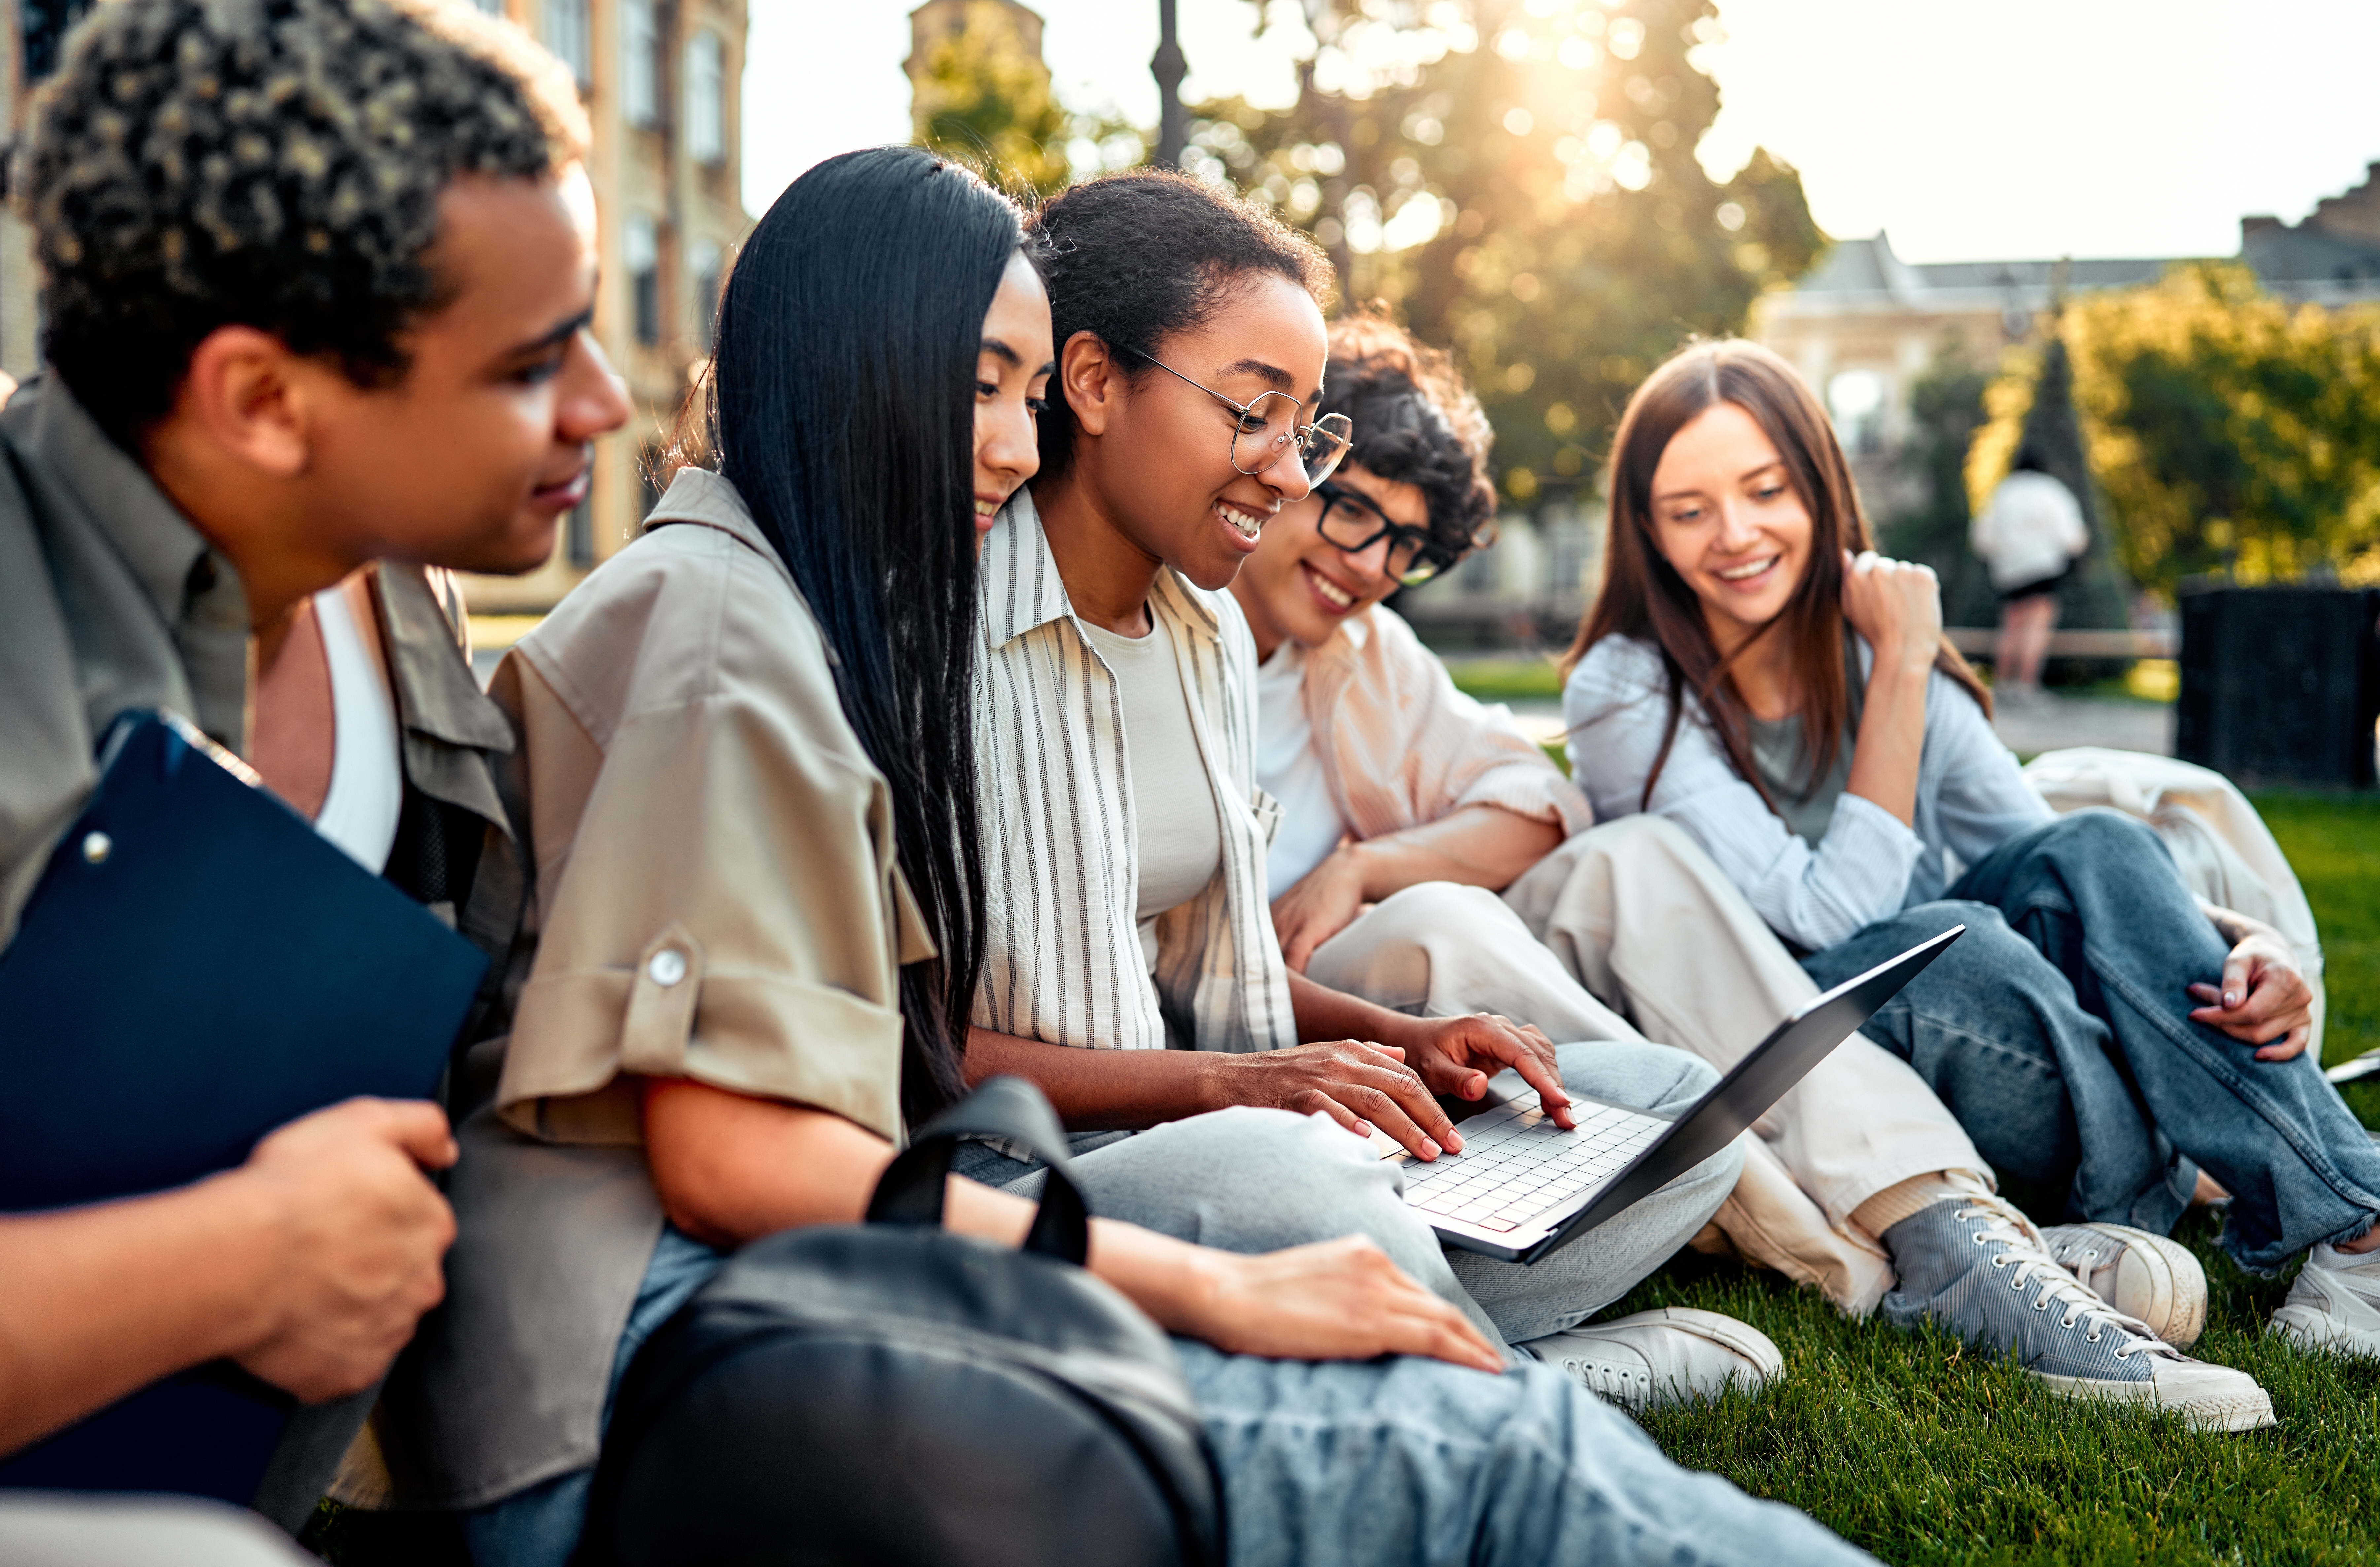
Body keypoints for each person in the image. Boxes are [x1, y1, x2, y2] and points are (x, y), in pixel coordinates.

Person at [395, 148, 1872, 1567]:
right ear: (840, 360)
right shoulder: (731, 637)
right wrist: (1216, 1277)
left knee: (1597, 1189)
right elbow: (737, 1156)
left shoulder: (785, 615)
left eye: (1025, 395)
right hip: (648, 1399)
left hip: (765, 1324)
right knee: (1482, 1456)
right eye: (980, 387)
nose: (1016, 443)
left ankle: (1474, 1360)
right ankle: (1510, 1380)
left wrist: (1359, 1060)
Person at [1214, 311, 2204, 1397]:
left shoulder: (1362, 652)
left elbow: (1539, 809)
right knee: (1441, 921)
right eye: (1351, 511)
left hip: (1413, 1021)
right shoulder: (1167, 639)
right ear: (1284, 454)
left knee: (1626, 858)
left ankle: (1945, 1219)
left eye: (1404, 547)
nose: (1365, 566)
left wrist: (1364, 863)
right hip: (1271, 1024)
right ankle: (1879, 1252)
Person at [962, 170, 1771, 1399]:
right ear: (1090, 383)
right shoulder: (948, 631)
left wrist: (1404, 1040)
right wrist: (1245, 1089)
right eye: (1253, 414)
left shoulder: (1206, 636)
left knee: (1670, 1109)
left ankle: (1390, 1345)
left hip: (1226, 1141)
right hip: (1036, 1181)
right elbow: (907, 1044)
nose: (1287, 477)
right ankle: (1504, 1385)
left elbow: (1206, 975)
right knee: (1294, 1176)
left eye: (1304, 430)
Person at [0, 0, 625, 1551]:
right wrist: (232, 1263)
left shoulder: (391, 586)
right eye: (534, 360)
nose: (605, 403)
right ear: (264, 400)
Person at [1565, 338, 2380, 1403]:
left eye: (1764, 489)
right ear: (1645, 531)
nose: (1734, 535)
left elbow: (2056, 860)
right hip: (1818, 1050)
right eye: (1687, 509)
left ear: (1816, 487)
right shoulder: (1626, 690)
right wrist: (1898, 668)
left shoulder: (1870, 653)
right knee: (1944, 942)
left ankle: (2351, 1227)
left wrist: (2244, 943)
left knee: (2087, 846)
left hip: (2008, 1040)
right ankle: (2173, 1172)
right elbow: (1828, 916)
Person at [1969, 445, 2088, 701]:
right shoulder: (2052, 491)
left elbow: (1982, 536)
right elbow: (2072, 536)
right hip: (2043, 568)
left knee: (2011, 626)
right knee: (2037, 626)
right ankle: (2026, 684)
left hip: (2009, 571)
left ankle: (2002, 683)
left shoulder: (2003, 492)